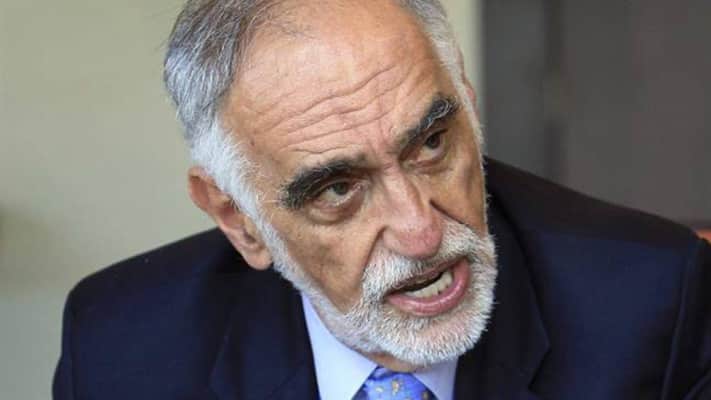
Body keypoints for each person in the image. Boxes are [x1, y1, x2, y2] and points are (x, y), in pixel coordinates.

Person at [53, 0, 711, 399]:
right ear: (239, 221)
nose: (421, 232)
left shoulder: (653, 300)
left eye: (431, 144)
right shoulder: (122, 349)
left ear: (468, 105)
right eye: (338, 189)